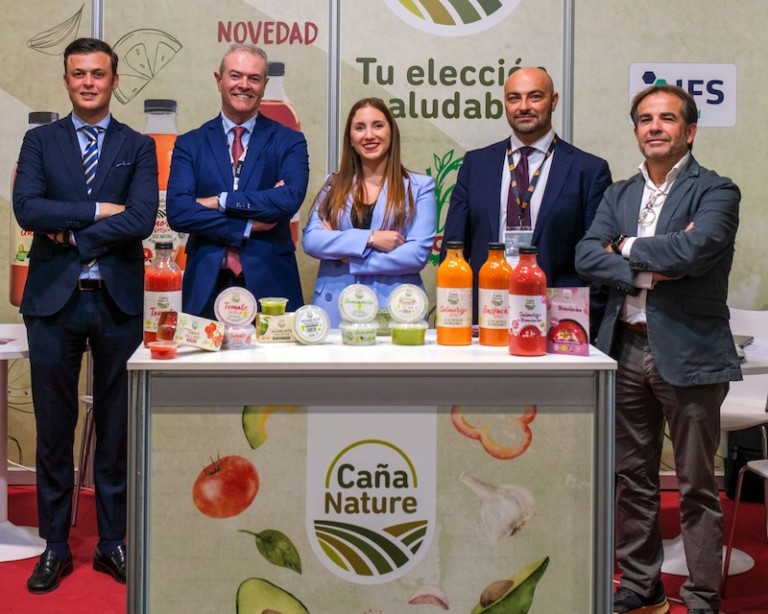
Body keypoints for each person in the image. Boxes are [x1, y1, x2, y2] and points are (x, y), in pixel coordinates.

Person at [575, 84, 742, 614]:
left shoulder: (717, 191)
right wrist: (648, 268)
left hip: (691, 353)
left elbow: (695, 249)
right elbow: (586, 255)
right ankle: (641, 585)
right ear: (635, 131)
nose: (654, 127)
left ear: (689, 131)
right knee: (633, 479)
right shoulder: (619, 194)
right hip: (624, 348)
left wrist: (623, 246)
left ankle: (701, 595)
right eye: (645, 119)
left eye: (667, 118)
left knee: (696, 483)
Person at [12, 38, 159, 592]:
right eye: (79, 74)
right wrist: (98, 210)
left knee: (117, 428)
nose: (89, 83)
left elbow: (141, 218)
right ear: (66, 80)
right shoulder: (40, 141)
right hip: (54, 301)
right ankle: (54, 544)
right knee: (54, 427)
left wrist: (71, 232)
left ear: (115, 81)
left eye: (99, 74)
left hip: (118, 301)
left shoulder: (137, 145)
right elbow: (27, 207)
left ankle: (111, 542)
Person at [441, 66, 611, 335]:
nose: (523, 107)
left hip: (557, 320)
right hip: (485, 313)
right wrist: (456, 312)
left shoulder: (588, 170)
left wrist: (587, 320)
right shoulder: (476, 164)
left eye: (534, 97)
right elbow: (454, 248)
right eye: (514, 98)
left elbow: (598, 257)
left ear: (553, 101)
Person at [167, 43, 309, 319]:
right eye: (235, 76)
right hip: (205, 284)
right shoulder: (190, 144)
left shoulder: (289, 141)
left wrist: (219, 201)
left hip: (272, 284)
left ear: (264, 85)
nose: (244, 85)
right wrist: (246, 226)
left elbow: (288, 199)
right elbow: (179, 211)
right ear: (219, 80)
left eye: (254, 78)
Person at [302, 97, 436, 326]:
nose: (369, 135)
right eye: (360, 128)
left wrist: (349, 257)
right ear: (351, 139)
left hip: (395, 310)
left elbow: (415, 255)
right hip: (335, 307)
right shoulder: (332, 185)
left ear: (391, 133)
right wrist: (370, 238)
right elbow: (312, 241)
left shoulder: (420, 187)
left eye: (378, 125)